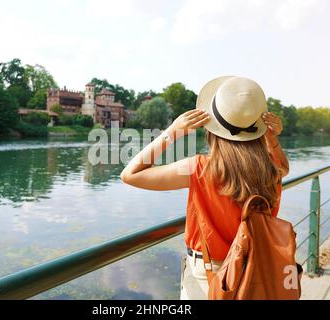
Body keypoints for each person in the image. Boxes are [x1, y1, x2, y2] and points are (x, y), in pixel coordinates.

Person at [120, 76, 289, 300]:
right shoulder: (271, 170)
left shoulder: (199, 168)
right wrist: (271, 140)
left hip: (209, 274)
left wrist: (172, 132)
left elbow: (131, 175)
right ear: (257, 128)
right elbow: (284, 167)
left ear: (213, 129)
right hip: (258, 266)